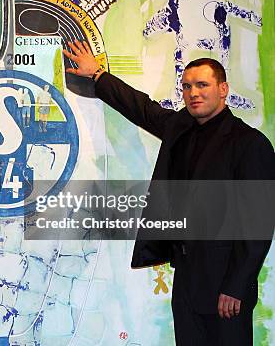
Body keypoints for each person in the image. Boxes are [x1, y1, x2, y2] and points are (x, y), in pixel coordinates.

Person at [63, 39, 274, 345]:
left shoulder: (250, 144)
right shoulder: (181, 127)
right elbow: (143, 109)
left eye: (202, 85)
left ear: (223, 89)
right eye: (187, 86)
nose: (193, 93)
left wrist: (236, 286)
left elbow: (258, 225)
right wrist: (97, 74)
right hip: (187, 279)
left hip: (225, 286)